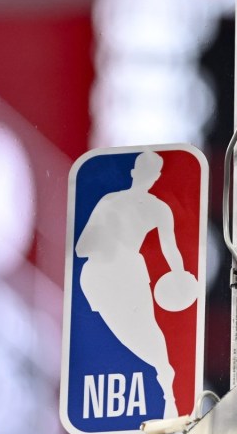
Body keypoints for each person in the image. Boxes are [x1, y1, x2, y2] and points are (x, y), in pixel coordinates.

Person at [76, 151, 189, 419]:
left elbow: (170, 249)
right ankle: (163, 373)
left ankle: (168, 390)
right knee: (128, 333)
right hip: (100, 276)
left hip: (128, 273)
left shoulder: (157, 209)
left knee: (147, 328)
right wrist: (108, 240)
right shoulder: (110, 202)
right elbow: (82, 248)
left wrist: (181, 276)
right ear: (137, 173)